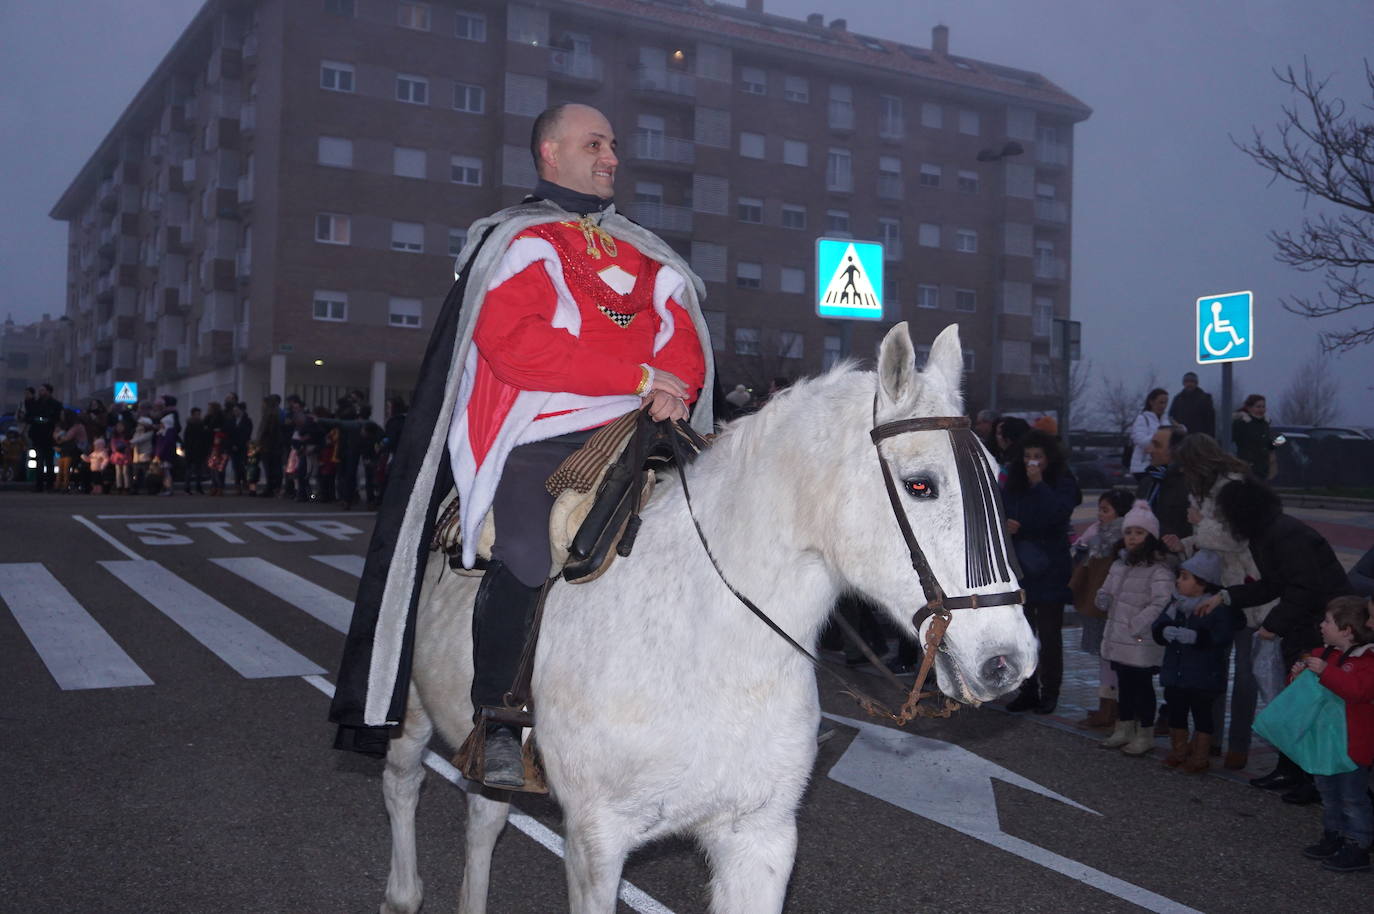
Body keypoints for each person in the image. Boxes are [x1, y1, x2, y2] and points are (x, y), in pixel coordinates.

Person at [329, 103, 714, 788]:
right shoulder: (520, 242)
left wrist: (675, 380)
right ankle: (501, 718)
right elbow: (517, 348)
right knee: (528, 548)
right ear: (550, 152)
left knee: (728, 525)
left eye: (614, 144)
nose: (612, 157)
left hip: (646, 427)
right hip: (545, 430)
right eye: (595, 143)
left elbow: (676, 328)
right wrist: (637, 374)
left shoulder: (645, 253)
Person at [1198, 477, 1354, 803]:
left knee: (1307, 704)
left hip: (1322, 627)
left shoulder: (1284, 535)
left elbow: (1303, 588)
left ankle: (1310, 779)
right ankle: (1291, 770)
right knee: (1292, 699)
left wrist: (1272, 624)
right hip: (1308, 623)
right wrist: (1226, 597)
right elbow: (1272, 584)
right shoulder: (1268, 531)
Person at [1167, 433, 1260, 769]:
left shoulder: (1233, 487)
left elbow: (1236, 538)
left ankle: (1238, 745)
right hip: (1219, 587)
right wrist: (1186, 543)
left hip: (1246, 589)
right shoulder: (1210, 489)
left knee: (1245, 675)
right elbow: (1215, 541)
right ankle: (1212, 740)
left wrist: (1198, 525)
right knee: (1213, 668)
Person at [1001, 429, 1082, 715]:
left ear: (1049, 459)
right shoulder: (1014, 481)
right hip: (1021, 565)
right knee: (1024, 634)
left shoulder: (1062, 481)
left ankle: (1050, 691)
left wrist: (1039, 486)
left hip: (1050, 565)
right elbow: (1001, 507)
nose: (1031, 462)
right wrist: (1006, 524)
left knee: (1049, 635)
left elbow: (1059, 513)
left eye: (1037, 457)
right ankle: (1027, 688)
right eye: (1027, 456)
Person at [1295, 595, 1374, 873]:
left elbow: (1358, 691)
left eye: (1327, 621)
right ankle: (1334, 834)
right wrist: (1296, 675)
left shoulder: (1367, 660)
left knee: (1352, 795)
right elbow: (1301, 694)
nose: (1321, 625)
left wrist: (1326, 672)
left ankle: (1359, 844)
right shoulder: (1322, 654)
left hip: (1353, 743)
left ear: (1347, 629)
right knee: (1327, 792)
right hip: (1324, 742)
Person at [1096, 501, 1174, 755]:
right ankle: (1124, 726)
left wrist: (1138, 623)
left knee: (1141, 686)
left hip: (1140, 639)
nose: (1132, 538)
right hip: (1118, 638)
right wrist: (1103, 597)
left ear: (1151, 536)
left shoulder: (1158, 568)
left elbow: (1161, 601)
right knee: (1124, 685)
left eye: (1139, 533)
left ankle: (1145, 732)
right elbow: (1108, 588)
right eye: (1129, 532)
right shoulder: (1120, 564)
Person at [1152, 550, 1233, 772]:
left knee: (1202, 715)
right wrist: (1162, 630)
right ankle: (1178, 750)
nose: (1179, 581)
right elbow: (1158, 623)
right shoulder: (1175, 603)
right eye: (1180, 576)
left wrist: (1198, 638)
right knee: (1177, 712)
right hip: (1175, 673)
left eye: (1185, 577)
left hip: (1203, 675)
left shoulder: (1215, 608)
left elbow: (1223, 636)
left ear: (1203, 583)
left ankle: (1200, 756)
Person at [1070, 487, 1136, 729]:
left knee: (1112, 658)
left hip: (1112, 607)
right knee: (1105, 657)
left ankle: (1114, 709)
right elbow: (1079, 546)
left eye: (1105, 510)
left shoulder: (1123, 539)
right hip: (1099, 603)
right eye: (1099, 509)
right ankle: (1107, 706)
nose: (1100, 514)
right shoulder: (1097, 533)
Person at [1136, 425, 1191, 542]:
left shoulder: (1189, 485)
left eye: (1157, 445)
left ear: (1175, 450)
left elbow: (1187, 529)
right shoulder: (1148, 481)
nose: (1148, 450)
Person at [24, 384, 61, 491]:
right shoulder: (35, 404)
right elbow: (29, 417)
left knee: (49, 462)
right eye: (39, 390)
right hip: (38, 436)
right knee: (39, 461)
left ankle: (50, 485)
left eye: (43, 390)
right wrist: (37, 420)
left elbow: (57, 419)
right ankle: (39, 485)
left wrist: (48, 421)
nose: (40, 392)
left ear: (49, 391)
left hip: (49, 436)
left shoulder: (55, 404)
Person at [1128, 388, 1170, 481]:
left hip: (1161, 466)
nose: (1163, 406)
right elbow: (1140, 441)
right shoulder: (1142, 418)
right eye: (1161, 402)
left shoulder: (1167, 421)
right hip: (1142, 467)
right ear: (1151, 402)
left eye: (1166, 403)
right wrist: (1160, 436)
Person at [1231, 394, 1276, 480]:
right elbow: (1229, 440)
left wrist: (1271, 448)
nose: (1261, 409)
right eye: (1258, 407)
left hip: (1263, 468)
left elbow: (1276, 441)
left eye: (1263, 407)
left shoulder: (1265, 423)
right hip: (1247, 467)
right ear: (1249, 408)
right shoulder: (1241, 424)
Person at [1168, 371, 1216, 438]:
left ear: (1196, 383)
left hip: (1199, 438)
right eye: (1187, 381)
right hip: (1181, 439)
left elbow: (1210, 421)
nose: (1189, 384)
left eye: (1192, 381)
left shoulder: (1205, 398)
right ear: (1183, 383)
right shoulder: (1178, 399)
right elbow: (1172, 417)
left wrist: (1209, 437)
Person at [53, 409, 88, 493]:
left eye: (63, 415)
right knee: (62, 468)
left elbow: (67, 437)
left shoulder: (76, 426)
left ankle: (64, 486)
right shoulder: (66, 426)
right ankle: (59, 485)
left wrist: (59, 439)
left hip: (74, 450)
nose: (61, 416)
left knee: (65, 469)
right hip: (68, 449)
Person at [226, 402, 253, 494]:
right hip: (233, 447)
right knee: (235, 466)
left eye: (237, 410)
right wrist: (232, 445)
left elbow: (246, 434)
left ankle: (245, 481)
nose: (235, 412)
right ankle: (238, 485)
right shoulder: (231, 420)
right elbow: (229, 434)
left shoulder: (247, 421)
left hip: (243, 447)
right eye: (234, 410)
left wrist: (239, 444)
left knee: (243, 466)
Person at [183, 407, 210, 495]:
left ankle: (197, 487)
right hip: (192, 450)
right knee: (190, 470)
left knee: (198, 470)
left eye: (199, 414)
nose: (198, 416)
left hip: (198, 450)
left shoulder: (200, 424)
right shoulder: (192, 425)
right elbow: (187, 438)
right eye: (196, 414)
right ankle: (188, 487)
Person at [109, 421, 132, 494]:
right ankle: (119, 486)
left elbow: (129, 446)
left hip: (125, 455)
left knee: (125, 472)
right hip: (117, 456)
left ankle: (126, 487)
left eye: (121, 426)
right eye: (118, 426)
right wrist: (117, 450)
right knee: (118, 472)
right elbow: (113, 446)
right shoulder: (114, 437)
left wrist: (125, 449)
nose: (119, 428)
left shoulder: (127, 436)